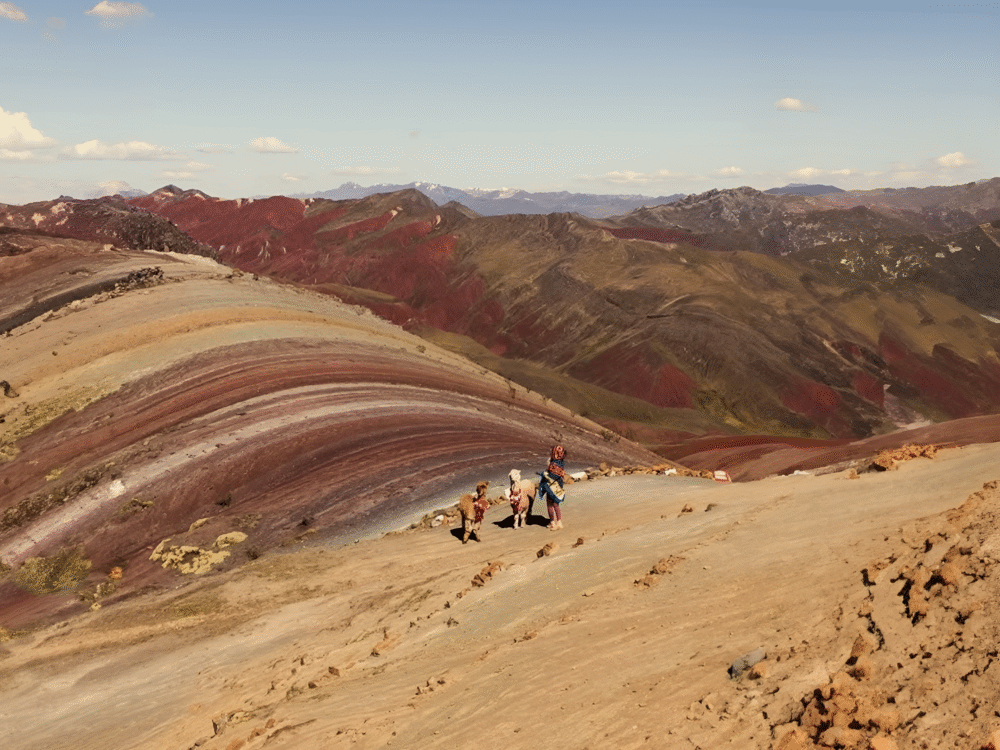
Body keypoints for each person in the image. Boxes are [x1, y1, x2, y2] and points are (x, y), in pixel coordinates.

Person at [538, 444, 566, 530]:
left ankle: (552, 523)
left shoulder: (552, 464)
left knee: (550, 504)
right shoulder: (561, 463)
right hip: (559, 485)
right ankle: (559, 522)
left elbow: (549, 475)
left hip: (551, 486)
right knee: (556, 504)